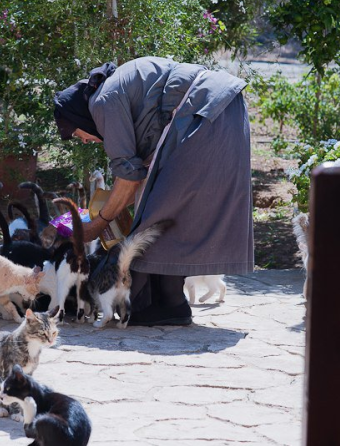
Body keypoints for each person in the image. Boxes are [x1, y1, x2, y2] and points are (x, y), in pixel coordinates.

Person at [53, 56, 253, 326]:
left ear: (79, 116)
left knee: (157, 218)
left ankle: (165, 303)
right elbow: (135, 172)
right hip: (223, 111)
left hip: (207, 115)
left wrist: (99, 223)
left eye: (79, 134)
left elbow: (128, 177)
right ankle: (169, 304)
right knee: (166, 214)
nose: (86, 140)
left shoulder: (103, 101)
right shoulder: (112, 90)